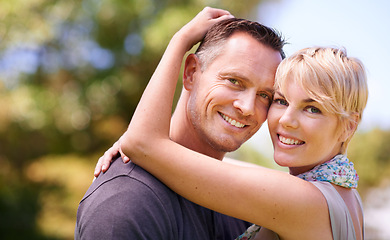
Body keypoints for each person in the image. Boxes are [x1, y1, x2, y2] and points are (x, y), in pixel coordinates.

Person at [112, 18, 368, 240]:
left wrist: (180, 40)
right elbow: (218, 166)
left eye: (313, 108)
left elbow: (141, 144)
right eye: (280, 100)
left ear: (349, 126)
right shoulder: (343, 196)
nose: (287, 120)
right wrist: (158, 145)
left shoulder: (303, 200)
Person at [75, 7, 285, 239]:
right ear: (191, 72)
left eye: (265, 95)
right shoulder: (125, 202)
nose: (247, 107)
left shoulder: (244, 208)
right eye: (234, 81)